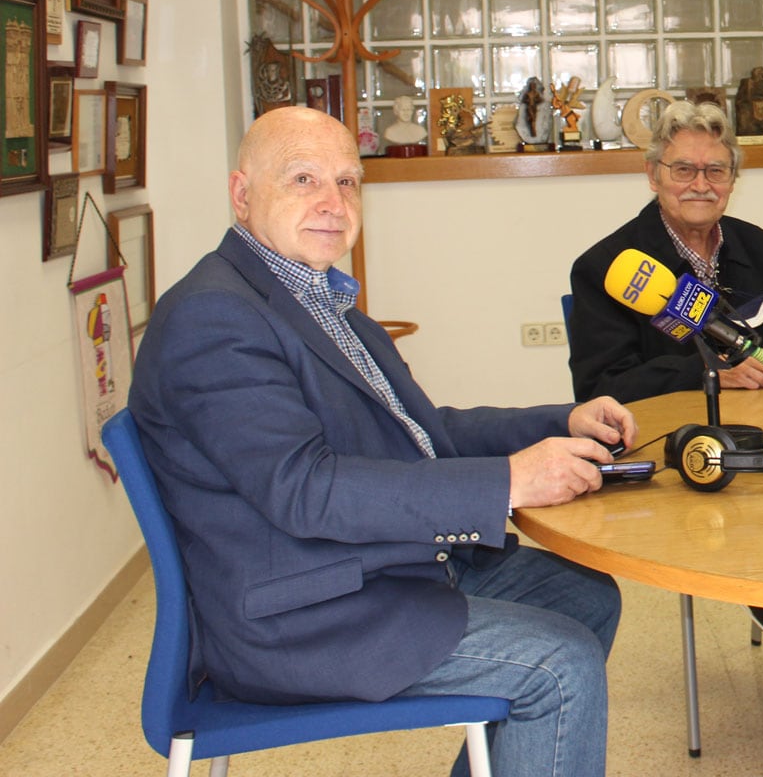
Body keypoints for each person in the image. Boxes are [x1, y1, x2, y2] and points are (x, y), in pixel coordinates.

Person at [129, 107, 636, 777]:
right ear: (242, 193)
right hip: (301, 617)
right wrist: (508, 482)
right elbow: (304, 489)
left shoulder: (316, 299)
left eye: (347, 182)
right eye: (303, 179)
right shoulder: (215, 317)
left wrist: (559, 422)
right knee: (558, 664)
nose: (332, 203)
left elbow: (425, 432)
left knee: (586, 596)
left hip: (363, 566)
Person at [566, 100, 763, 753]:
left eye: (716, 170)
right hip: (682, 454)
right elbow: (600, 388)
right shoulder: (608, 266)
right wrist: (708, 374)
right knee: (754, 527)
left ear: (733, 180)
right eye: (683, 169)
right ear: (653, 176)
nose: (700, 183)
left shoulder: (760, 248)